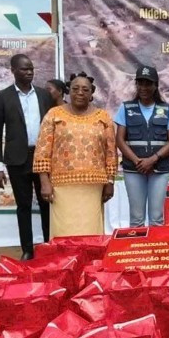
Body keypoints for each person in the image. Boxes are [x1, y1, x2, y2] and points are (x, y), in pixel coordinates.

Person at [34, 72, 116, 235]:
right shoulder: (54, 114)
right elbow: (42, 150)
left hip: (93, 187)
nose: (80, 93)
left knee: (90, 230)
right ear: (68, 91)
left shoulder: (103, 117)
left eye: (85, 90)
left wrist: (110, 182)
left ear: (91, 94)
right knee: (64, 231)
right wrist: (44, 181)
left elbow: (111, 152)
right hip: (61, 187)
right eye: (75, 88)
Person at [0, 54, 55, 261]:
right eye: (24, 69)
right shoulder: (3, 96)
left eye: (31, 69)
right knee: (24, 205)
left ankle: (49, 246)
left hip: (43, 157)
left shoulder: (44, 95)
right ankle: (27, 249)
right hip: (17, 159)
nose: (29, 72)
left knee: (47, 203)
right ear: (13, 70)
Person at [114, 66, 169, 227]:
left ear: (155, 85)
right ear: (136, 85)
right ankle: (137, 245)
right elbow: (120, 140)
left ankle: (156, 245)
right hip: (133, 169)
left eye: (148, 83)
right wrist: (138, 161)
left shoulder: (167, 109)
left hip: (159, 169)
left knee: (156, 219)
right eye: (140, 83)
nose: (143, 87)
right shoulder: (126, 108)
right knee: (136, 219)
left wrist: (152, 160)